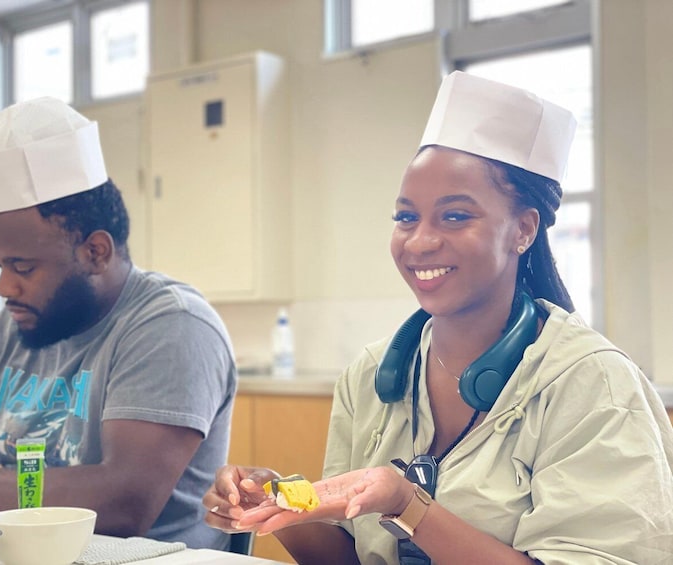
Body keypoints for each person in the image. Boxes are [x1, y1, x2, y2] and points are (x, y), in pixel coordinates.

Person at [203, 71, 673, 564]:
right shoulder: (370, 376)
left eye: (454, 216)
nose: (420, 240)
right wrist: (275, 507)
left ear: (524, 229)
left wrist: (409, 506)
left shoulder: (594, 385)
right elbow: (348, 558)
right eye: (406, 217)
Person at [0, 97, 237, 550]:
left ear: (95, 252)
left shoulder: (172, 326)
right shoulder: (14, 327)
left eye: (22, 266)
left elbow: (122, 504)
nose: (4, 288)